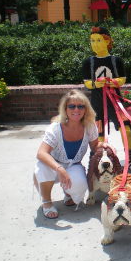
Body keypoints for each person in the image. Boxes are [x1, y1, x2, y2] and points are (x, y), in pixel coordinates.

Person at [33, 90, 101, 219]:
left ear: (86, 109)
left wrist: (104, 146)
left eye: (81, 106)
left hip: (73, 165)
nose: (76, 109)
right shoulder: (55, 128)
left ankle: (68, 193)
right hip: (52, 165)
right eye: (71, 106)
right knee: (42, 168)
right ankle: (46, 202)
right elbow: (41, 153)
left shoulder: (90, 126)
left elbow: (95, 146)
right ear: (65, 109)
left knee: (80, 185)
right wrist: (59, 169)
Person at [81, 27, 131, 172]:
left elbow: (123, 79)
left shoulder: (116, 60)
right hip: (97, 102)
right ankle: (97, 158)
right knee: (98, 133)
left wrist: (113, 82)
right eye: (92, 41)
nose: (95, 44)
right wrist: (95, 84)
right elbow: (87, 82)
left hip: (116, 101)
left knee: (125, 129)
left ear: (107, 41)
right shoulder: (89, 62)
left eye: (98, 40)